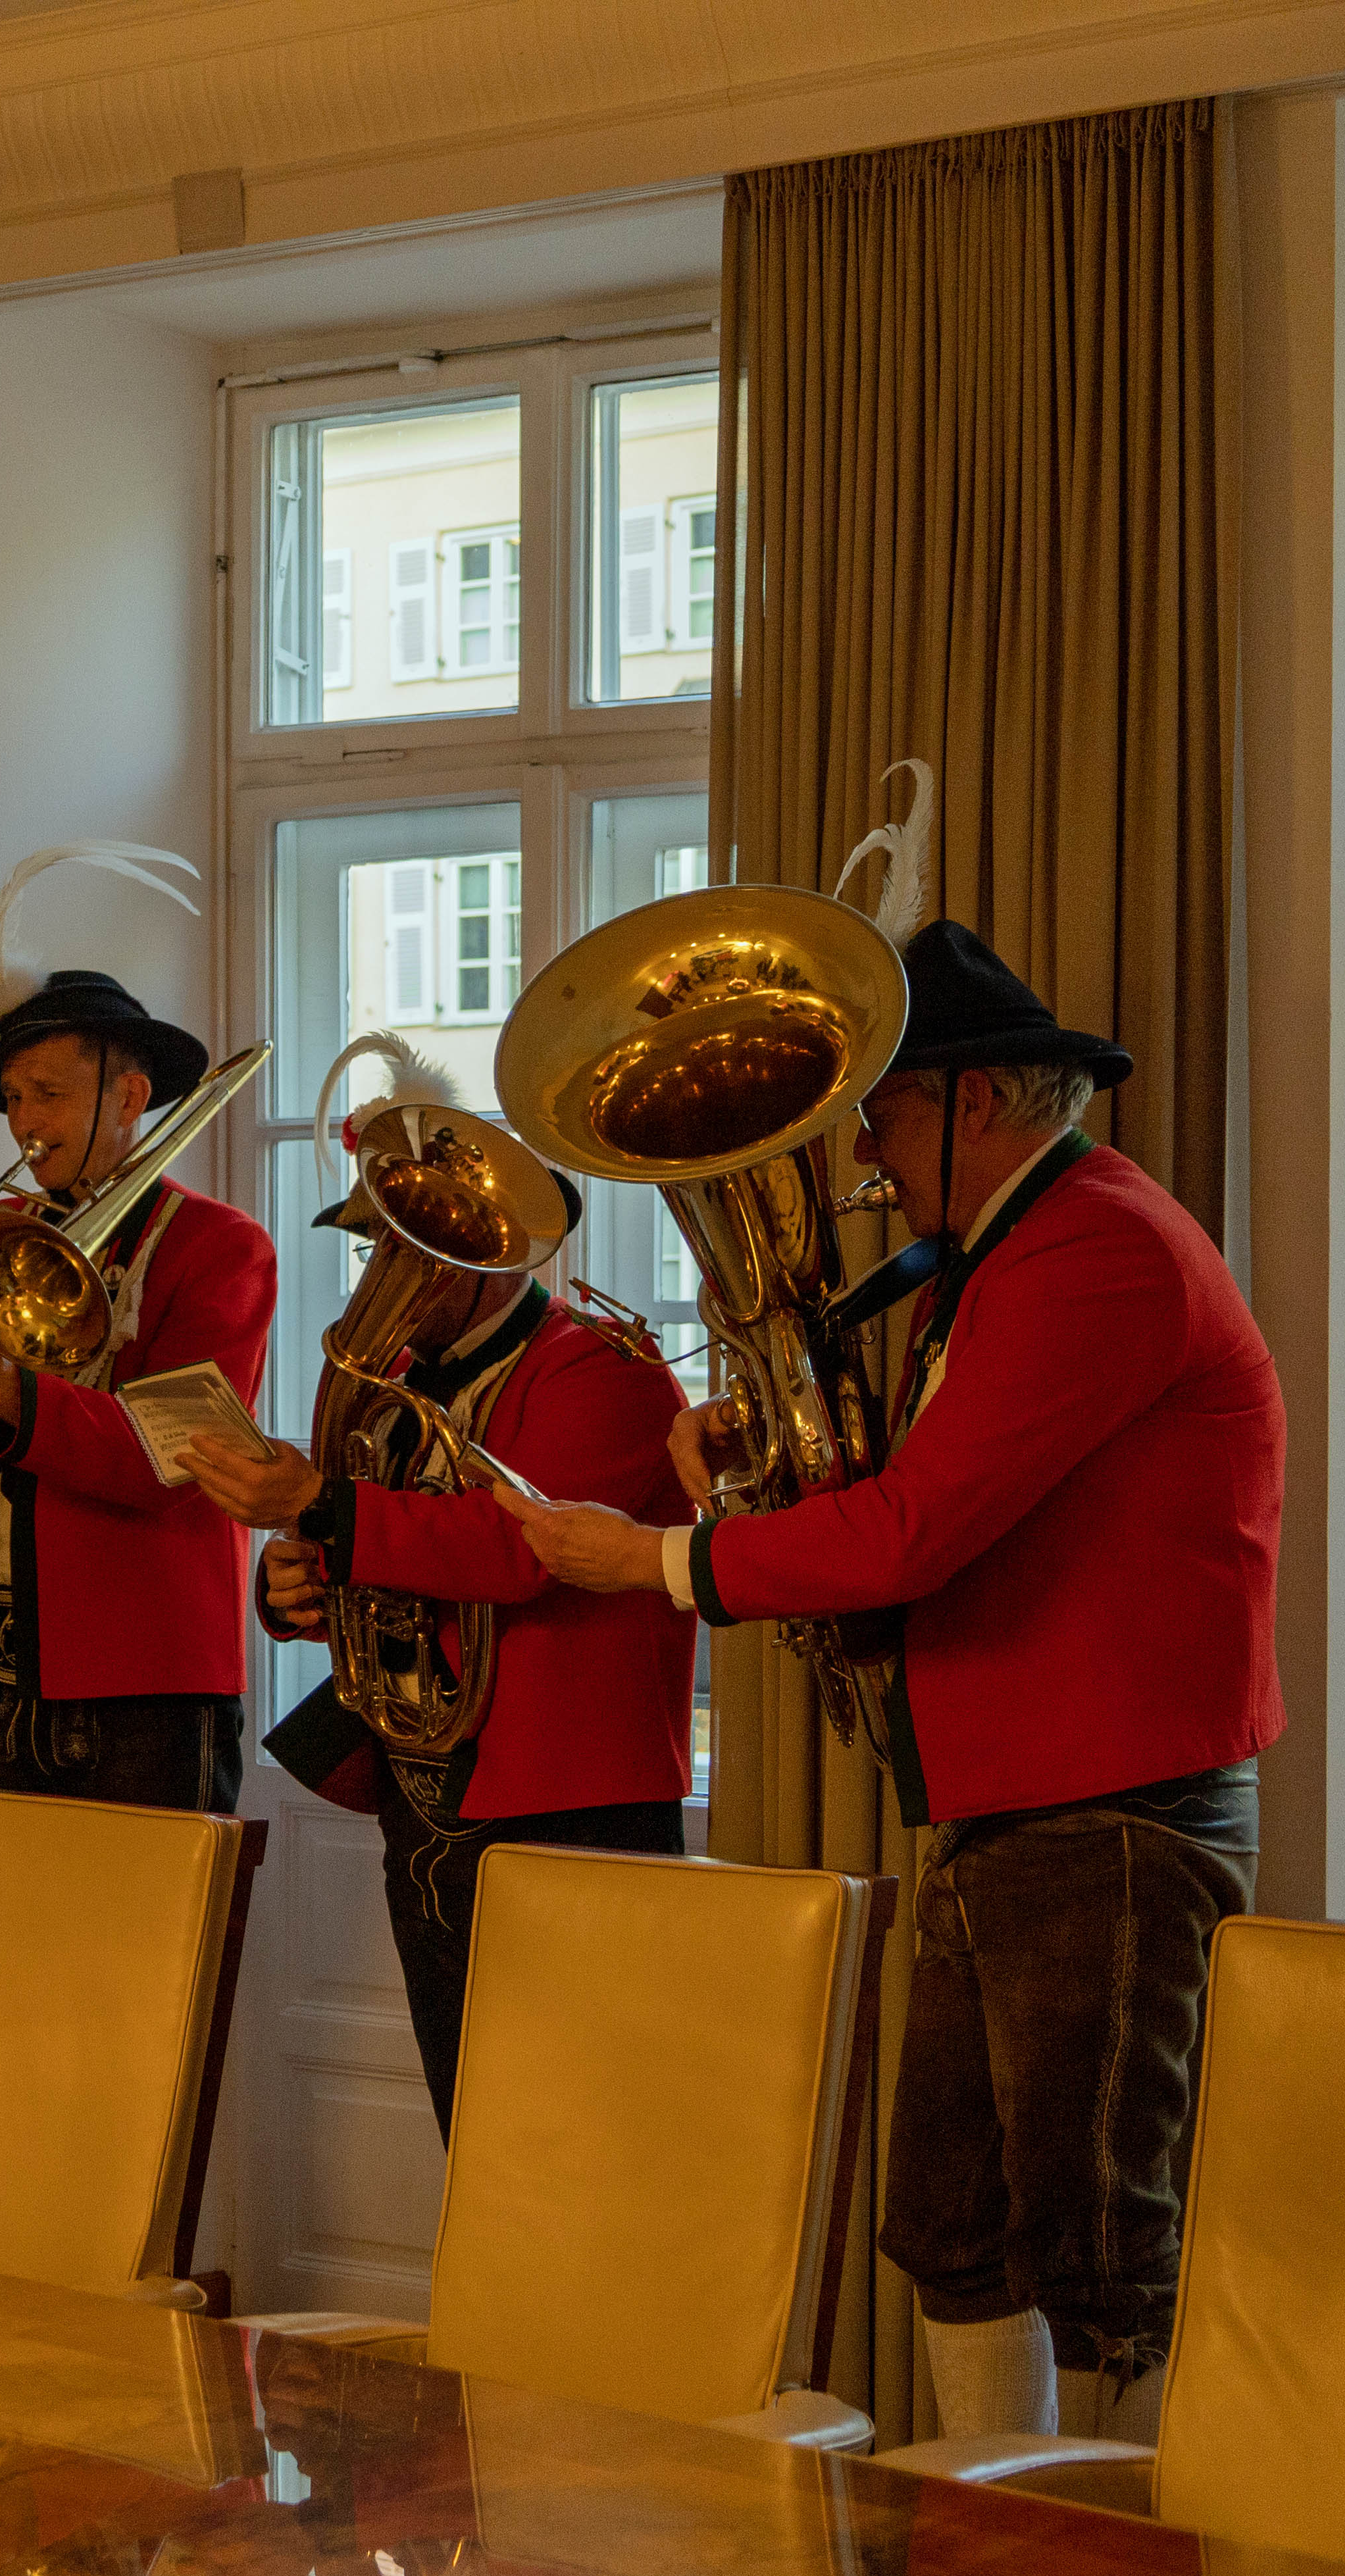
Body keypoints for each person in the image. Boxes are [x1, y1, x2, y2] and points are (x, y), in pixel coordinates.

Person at [508, 921, 1282, 2442]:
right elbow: (925, 1485)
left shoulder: (1100, 1248)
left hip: (1110, 1814)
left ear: (974, 1102)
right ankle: (996, 2560)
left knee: (1106, 2255)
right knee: (952, 2224)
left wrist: (662, 1561)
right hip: (1012, 1803)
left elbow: (921, 1529)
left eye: (885, 1106)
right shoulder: (999, 1260)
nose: (858, 1141)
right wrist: (753, 1468)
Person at [182, 1061, 696, 2137]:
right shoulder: (395, 1382)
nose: (385, 1272)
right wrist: (297, 1585)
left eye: (410, 1248)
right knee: (470, 2121)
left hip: (568, 1803)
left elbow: (516, 1550)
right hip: (427, 1792)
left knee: (581, 2127)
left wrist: (324, 1505)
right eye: (375, 1247)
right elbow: (370, 1546)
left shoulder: (605, 1369)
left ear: (494, 1251)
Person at [0, 962, 273, 1810]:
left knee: (144, 1941)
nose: (23, 1125)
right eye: (11, 1098)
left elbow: (169, 1461)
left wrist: (2, 1385)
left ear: (127, 1100)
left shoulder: (219, 1247)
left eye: (46, 1093)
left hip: (146, 1677)